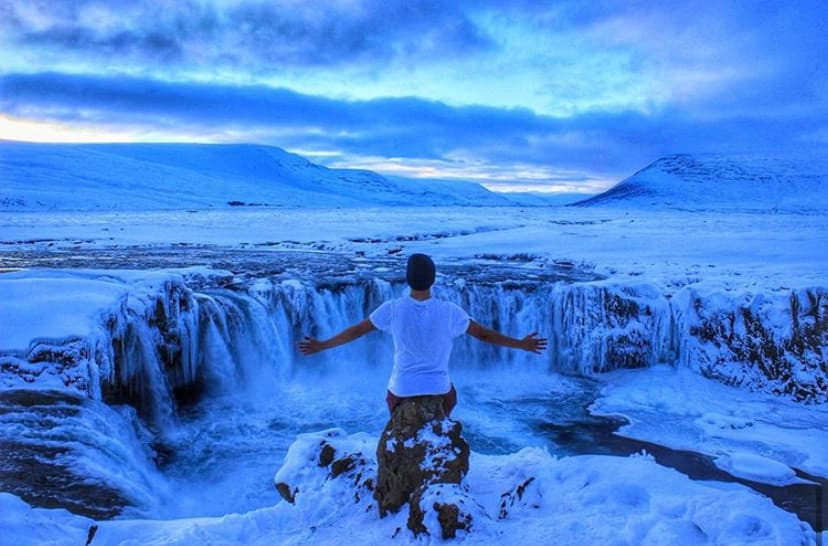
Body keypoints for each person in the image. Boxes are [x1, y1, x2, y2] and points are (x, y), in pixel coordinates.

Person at [298, 253, 548, 416]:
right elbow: (483, 335)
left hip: (402, 390)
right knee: (452, 396)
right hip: (439, 390)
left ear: (407, 280)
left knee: (393, 395)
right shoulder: (450, 311)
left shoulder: (392, 309)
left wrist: (322, 345)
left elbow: (356, 331)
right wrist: (521, 344)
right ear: (433, 279)